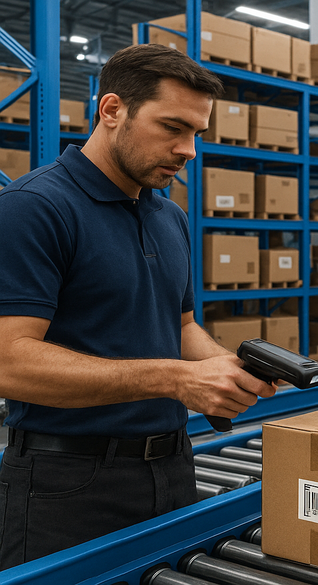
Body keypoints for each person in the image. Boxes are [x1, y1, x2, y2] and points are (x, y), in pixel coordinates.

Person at [0, 44, 278, 569]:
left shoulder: (169, 217)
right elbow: (8, 361)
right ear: (112, 110)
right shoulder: (33, 208)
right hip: (67, 482)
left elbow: (182, 325)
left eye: (197, 133)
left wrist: (224, 367)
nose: (188, 150)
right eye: (172, 127)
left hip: (173, 465)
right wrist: (174, 379)